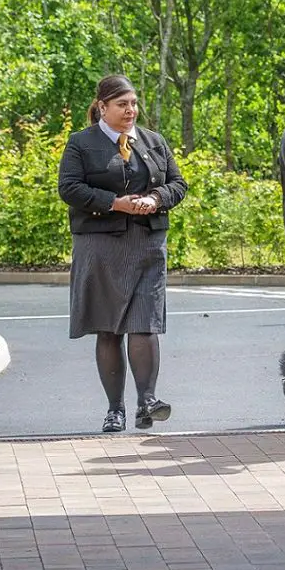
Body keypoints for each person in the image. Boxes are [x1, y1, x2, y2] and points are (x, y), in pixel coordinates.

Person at [58, 74, 188, 433]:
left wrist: (155, 199)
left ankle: (147, 401)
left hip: (147, 246)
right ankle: (115, 410)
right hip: (101, 247)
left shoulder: (153, 142)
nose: (131, 110)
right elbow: (69, 188)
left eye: (133, 103)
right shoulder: (81, 143)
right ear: (102, 106)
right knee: (109, 330)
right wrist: (115, 204)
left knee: (145, 324)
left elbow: (178, 184)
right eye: (122, 104)